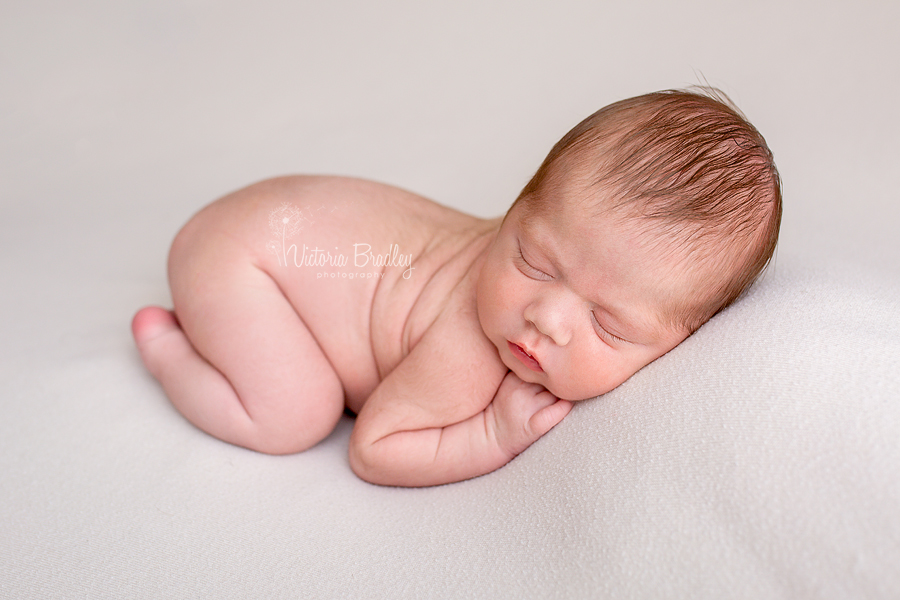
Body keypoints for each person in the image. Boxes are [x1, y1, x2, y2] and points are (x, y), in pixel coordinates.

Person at [132, 88, 781, 487]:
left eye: (609, 325)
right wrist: (491, 436)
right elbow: (376, 448)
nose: (546, 318)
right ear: (515, 211)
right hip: (243, 260)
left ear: (683, 338)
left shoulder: (557, 290)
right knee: (295, 415)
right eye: (534, 261)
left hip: (273, 223)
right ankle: (170, 352)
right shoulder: (465, 347)